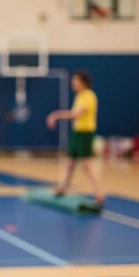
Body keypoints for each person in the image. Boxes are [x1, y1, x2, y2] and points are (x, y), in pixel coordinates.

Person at [46, 69, 105, 205]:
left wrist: (56, 115)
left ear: (83, 82)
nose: (73, 83)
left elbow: (76, 114)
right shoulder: (80, 96)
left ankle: (100, 193)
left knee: (87, 164)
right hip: (77, 133)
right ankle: (62, 188)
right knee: (70, 163)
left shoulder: (89, 96)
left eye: (76, 80)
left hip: (85, 133)